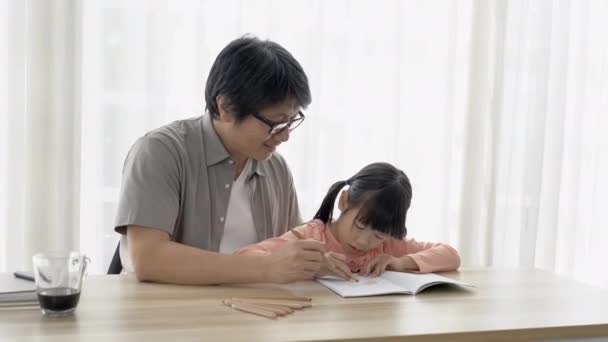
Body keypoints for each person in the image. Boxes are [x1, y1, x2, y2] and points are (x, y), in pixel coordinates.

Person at [113, 35, 327, 285]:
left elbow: (294, 244)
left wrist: (367, 258)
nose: (285, 136)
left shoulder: (275, 167)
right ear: (225, 106)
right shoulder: (160, 152)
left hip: (253, 312)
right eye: (276, 123)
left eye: (291, 121)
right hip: (169, 314)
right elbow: (148, 259)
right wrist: (265, 268)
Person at [236, 162, 461, 280]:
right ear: (343, 201)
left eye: (378, 234)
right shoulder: (309, 237)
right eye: (360, 225)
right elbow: (243, 258)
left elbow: (450, 254)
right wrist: (310, 266)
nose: (364, 241)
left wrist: (400, 262)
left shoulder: (387, 246)